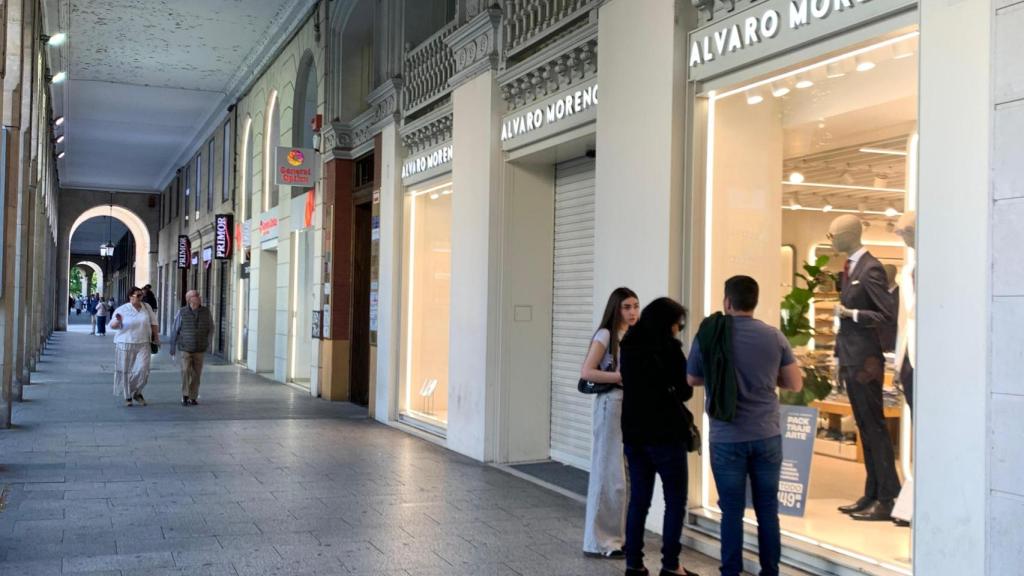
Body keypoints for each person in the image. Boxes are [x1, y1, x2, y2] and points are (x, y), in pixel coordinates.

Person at [687, 276, 803, 576]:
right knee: (767, 510)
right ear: (755, 302)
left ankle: (731, 571)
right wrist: (765, 379)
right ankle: (770, 571)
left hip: (727, 438)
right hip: (767, 435)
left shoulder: (710, 336)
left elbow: (693, 379)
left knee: (732, 512)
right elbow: (793, 382)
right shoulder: (774, 337)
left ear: (727, 302)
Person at [620, 297, 698, 576]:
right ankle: (670, 565)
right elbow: (686, 390)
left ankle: (634, 564)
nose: (680, 328)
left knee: (639, 500)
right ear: (669, 323)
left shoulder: (628, 346)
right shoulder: (670, 349)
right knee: (675, 500)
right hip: (665, 435)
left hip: (634, 434)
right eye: (679, 323)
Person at [581, 287, 640, 559]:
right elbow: (587, 371)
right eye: (627, 307)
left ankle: (617, 537)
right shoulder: (606, 335)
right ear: (616, 309)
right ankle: (600, 541)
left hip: (627, 406)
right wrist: (618, 377)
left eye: (635, 306)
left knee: (621, 475)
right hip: (610, 404)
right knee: (608, 472)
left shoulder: (631, 336)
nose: (632, 312)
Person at [109, 287, 159, 406]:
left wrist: (156, 337)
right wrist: (118, 321)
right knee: (125, 370)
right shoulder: (122, 309)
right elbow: (112, 326)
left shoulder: (146, 307)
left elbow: (154, 323)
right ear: (130, 296)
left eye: (142, 295)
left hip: (144, 342)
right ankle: (127, 397)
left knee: (144, 369)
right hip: (125, 342)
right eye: (138, 295)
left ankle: (137, 392)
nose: (141, 297)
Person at [169, 290, 214, 406]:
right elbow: (175, 329)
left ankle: (193, 397)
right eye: (196, 296)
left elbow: (211, 327)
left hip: (200, 348)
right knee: (185, 371)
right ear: (189, 299)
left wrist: (208, 342)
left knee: (196, 374)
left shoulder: (206, 311)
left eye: (199, 295)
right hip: (185, 348)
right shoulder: (182, 312)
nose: (199, 297)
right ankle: (185, 394)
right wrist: (172, 347)